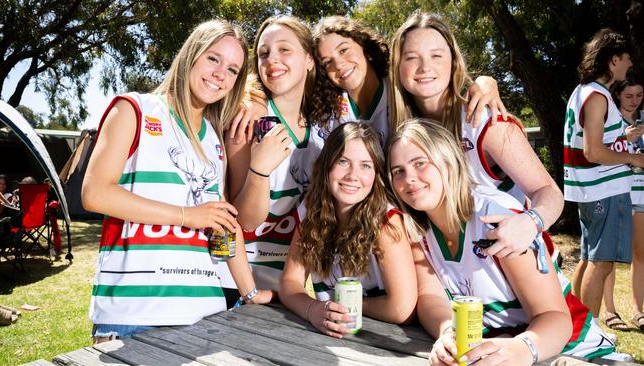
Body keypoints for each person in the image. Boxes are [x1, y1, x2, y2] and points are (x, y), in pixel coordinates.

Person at [81, 19, 271, 343]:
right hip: (134, 316)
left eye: (232, 69)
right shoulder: (134, 109)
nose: (220, 74)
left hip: (205, 315)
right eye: (213, 58)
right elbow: (94, 193)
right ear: (191, 54)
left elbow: (225, 223)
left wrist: (249, 291)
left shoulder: (214, 138)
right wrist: (186, 216)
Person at [388, 119, 618, 365]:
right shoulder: (416, 227)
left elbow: (555, 318)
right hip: (490, 354)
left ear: (448, 161)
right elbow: (431, 298)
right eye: (398, 171)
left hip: (569, 352)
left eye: (420, 163)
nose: (409, 178)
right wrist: (447, 332)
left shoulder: (495, 217)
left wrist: (522, 348)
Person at [388, 12, 563, 259]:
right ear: (397, 66)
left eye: (436, 55)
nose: (425, 67)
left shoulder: (484, 122)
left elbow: (549, 192)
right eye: (411, 57)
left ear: (454, 62)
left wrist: (530, 222)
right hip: (452, 276)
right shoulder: (402, 133)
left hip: (510, 268)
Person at [279, 122, 416, 339]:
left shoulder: (385, 222)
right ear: (326, 166)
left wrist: (343, 305)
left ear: (377, 174)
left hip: (386, 341)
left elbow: (401, 309)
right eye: (343, 161)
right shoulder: (311, 210)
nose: (353, 175)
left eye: (365, 166)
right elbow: (290, 282)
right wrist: (312, 309)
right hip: (330, 335)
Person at [226, 16, 323, 298]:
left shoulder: (323, 126)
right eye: (264, 53)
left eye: (284, 49)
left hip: (285, 288)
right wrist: (260, 171)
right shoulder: (249, 118)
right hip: (235, 286)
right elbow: (244, 221)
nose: (272, 60)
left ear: (309, 59)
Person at [310, 15, 507, 150]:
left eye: (344, 50)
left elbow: (444, 86)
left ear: (366, 49)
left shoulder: (401, 87)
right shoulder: (330, 114)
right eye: (327, 62)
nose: (339, 64)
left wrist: (485, 83)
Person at [563, 29, 644, 327]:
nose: (629, 64)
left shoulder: (582, 92)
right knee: (601, 262)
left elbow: (596, 141)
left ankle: (573, 327)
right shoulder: (597, 96)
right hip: (604, 190)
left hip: (591, 191)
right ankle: (587, 333)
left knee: (588, 259)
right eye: (626, 59)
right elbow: (594, 151)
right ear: (612, 61)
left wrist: (622, 136)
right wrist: (634, 157)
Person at [601, 78, 644, 331]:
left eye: (639, 95)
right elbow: (594, 152)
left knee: (640, 253)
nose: (635, 100)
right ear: (617, 95)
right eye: (629, 95)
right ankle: (609, 311)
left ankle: (639, 311)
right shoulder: (608, 119)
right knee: (610, 255)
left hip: (640, 193)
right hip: (615, 191)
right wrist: (621, 136)